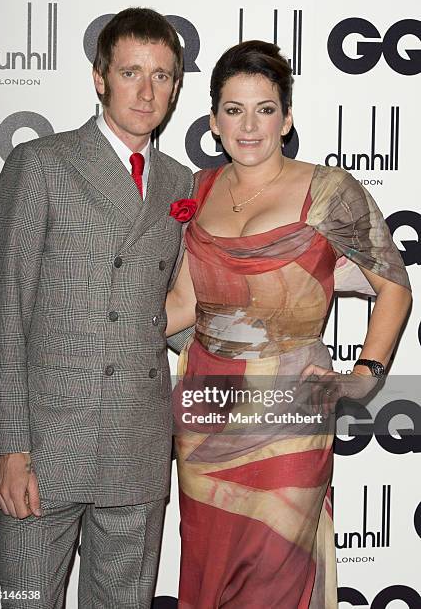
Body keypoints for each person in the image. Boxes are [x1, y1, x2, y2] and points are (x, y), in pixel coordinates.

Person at [166, 40, 411, 608]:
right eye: (233, 109)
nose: (249, 125)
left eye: (265, 108)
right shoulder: (198, 191)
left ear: (288, 117)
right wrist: (112, 322)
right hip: (206, 410)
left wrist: (366, 373)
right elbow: (182, 304)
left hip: (290, 409)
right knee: (210, 564)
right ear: (213, 121)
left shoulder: (328, 191)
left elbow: (393, 286)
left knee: (275, 569)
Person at [0, 8, 193, 609]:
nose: (146, 91)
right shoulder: (40, 164)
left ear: (176, 87)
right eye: (131, 72)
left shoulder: (182, 186)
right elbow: (6, 315)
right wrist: (10, 448)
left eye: (161, 76)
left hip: (138, 446)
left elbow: (184, 310)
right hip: (46, 448)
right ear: (99, 78)